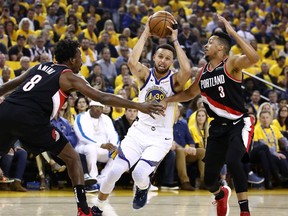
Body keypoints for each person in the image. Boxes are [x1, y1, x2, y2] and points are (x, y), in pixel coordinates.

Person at [0, 39, 164, 216]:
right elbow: (102, 98)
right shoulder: (68, 76)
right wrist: (139, 106)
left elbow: (7, 86)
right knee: (73, 158)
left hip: (5, 111)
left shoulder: (40, 67)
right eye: (79, 56)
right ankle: (83, 210)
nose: (82, 60)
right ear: (71, 60)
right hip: (31, 118)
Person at [92, 16, 191, 215]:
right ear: (154, 58)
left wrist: (174, 40)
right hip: (138, 132)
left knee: (139, 174)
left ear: (172, 62)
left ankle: (143, 187)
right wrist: (147, 31)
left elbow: (187, 70)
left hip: (160, 137)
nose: (163, 60)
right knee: (113, 172)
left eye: (167, 58)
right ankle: (97, 208)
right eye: (160, 56)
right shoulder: (145, 75)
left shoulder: (174, 81)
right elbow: (131, 60)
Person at [162, 14, 259, 216]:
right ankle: (221, 195)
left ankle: (245, 211)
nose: (206, 45)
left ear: (221, 48)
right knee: (209, 180)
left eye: (210, 42)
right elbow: (189, 93)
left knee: (234, 161)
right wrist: (167, 100)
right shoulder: (203, 72)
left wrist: (231, 31)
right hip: (217, 128)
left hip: (239, 123)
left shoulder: (231, 64)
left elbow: (254, 58)